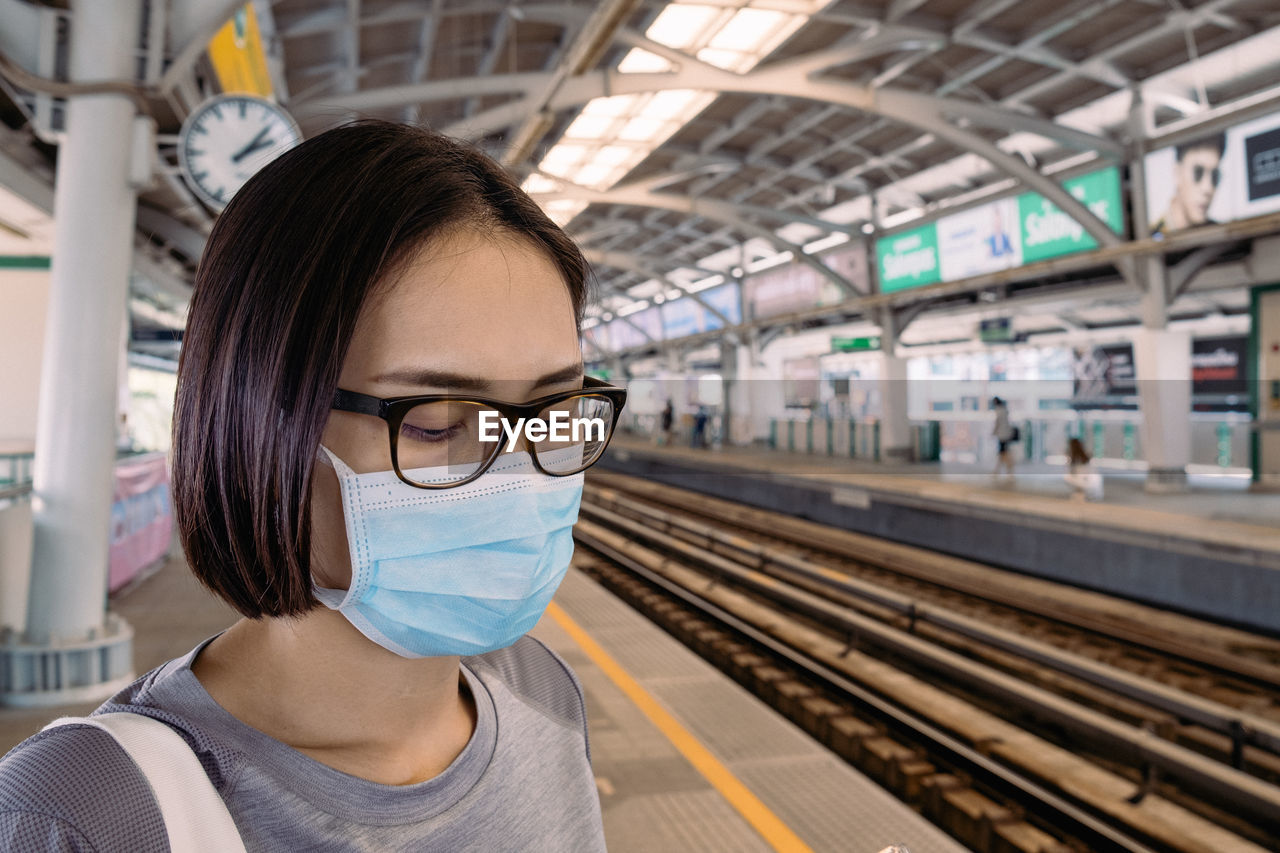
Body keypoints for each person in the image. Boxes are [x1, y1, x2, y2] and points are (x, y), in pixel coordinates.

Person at [0, 122, 625, 850]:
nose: (515, 476)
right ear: (265, 422)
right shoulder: (74, 817)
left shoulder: (542, 691)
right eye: (439, 421)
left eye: (553, 409)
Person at [1151, 132, 1226, 235]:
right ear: (1178, 174)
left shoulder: (1220, 237)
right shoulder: (1152, 235)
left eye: (1214, 176)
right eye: (1198, 173)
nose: (1207, 188)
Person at [1064, 437, 1103, 501]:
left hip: (1087, 484)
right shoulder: (1087, 455)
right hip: (1095, 485)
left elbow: (1071, 472)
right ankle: (1083, 493)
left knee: (1067, 477)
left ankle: (1082, 493)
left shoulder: (1074, 459)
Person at [991, 396, 1018, 478]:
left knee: (1003, 452)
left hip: (1002, 435)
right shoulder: (1004, 410)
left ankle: (1007, 469)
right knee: (1002, 452)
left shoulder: (999, 411)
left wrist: (993, 432)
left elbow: (997, 423)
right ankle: (999, 470)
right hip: (1007, 434)